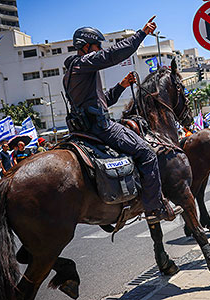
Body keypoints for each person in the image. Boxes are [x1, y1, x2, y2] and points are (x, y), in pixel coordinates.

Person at [62, 18, 181, 223]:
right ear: (85, 46)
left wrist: (122, 85)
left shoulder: (73, 72)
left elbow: (103, 101)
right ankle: (154, 208)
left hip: (84, 127)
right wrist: (141, 33)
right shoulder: (83, 63)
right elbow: (112, 55)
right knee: (146, 153)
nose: (99, 49)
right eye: (97, 46)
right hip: (100, 127)